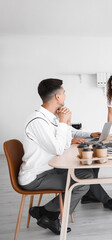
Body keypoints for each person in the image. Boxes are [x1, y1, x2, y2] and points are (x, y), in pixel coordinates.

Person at [19, 78, 94, 235]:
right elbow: (60, 149)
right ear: (58, 97)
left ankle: (47, 212)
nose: (65, 95)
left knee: (87, 174)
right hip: (35, 177)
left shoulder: (50, 117)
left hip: (49, 169)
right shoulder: (37, 121)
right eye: (64, 93)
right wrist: (64, 122)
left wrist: (65, 123)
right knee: (83, 182)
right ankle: (51, 215)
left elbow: (65, 143)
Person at [70, 129, 112, 211]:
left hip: (67, 148)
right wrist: (70, 140)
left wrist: (91, 134)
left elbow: (73, 132)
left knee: (95, 157)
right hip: (58, 160)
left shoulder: (59, 120)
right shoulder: (49, 121)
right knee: (87, 170)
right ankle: (106, 200)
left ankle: (89, 195)